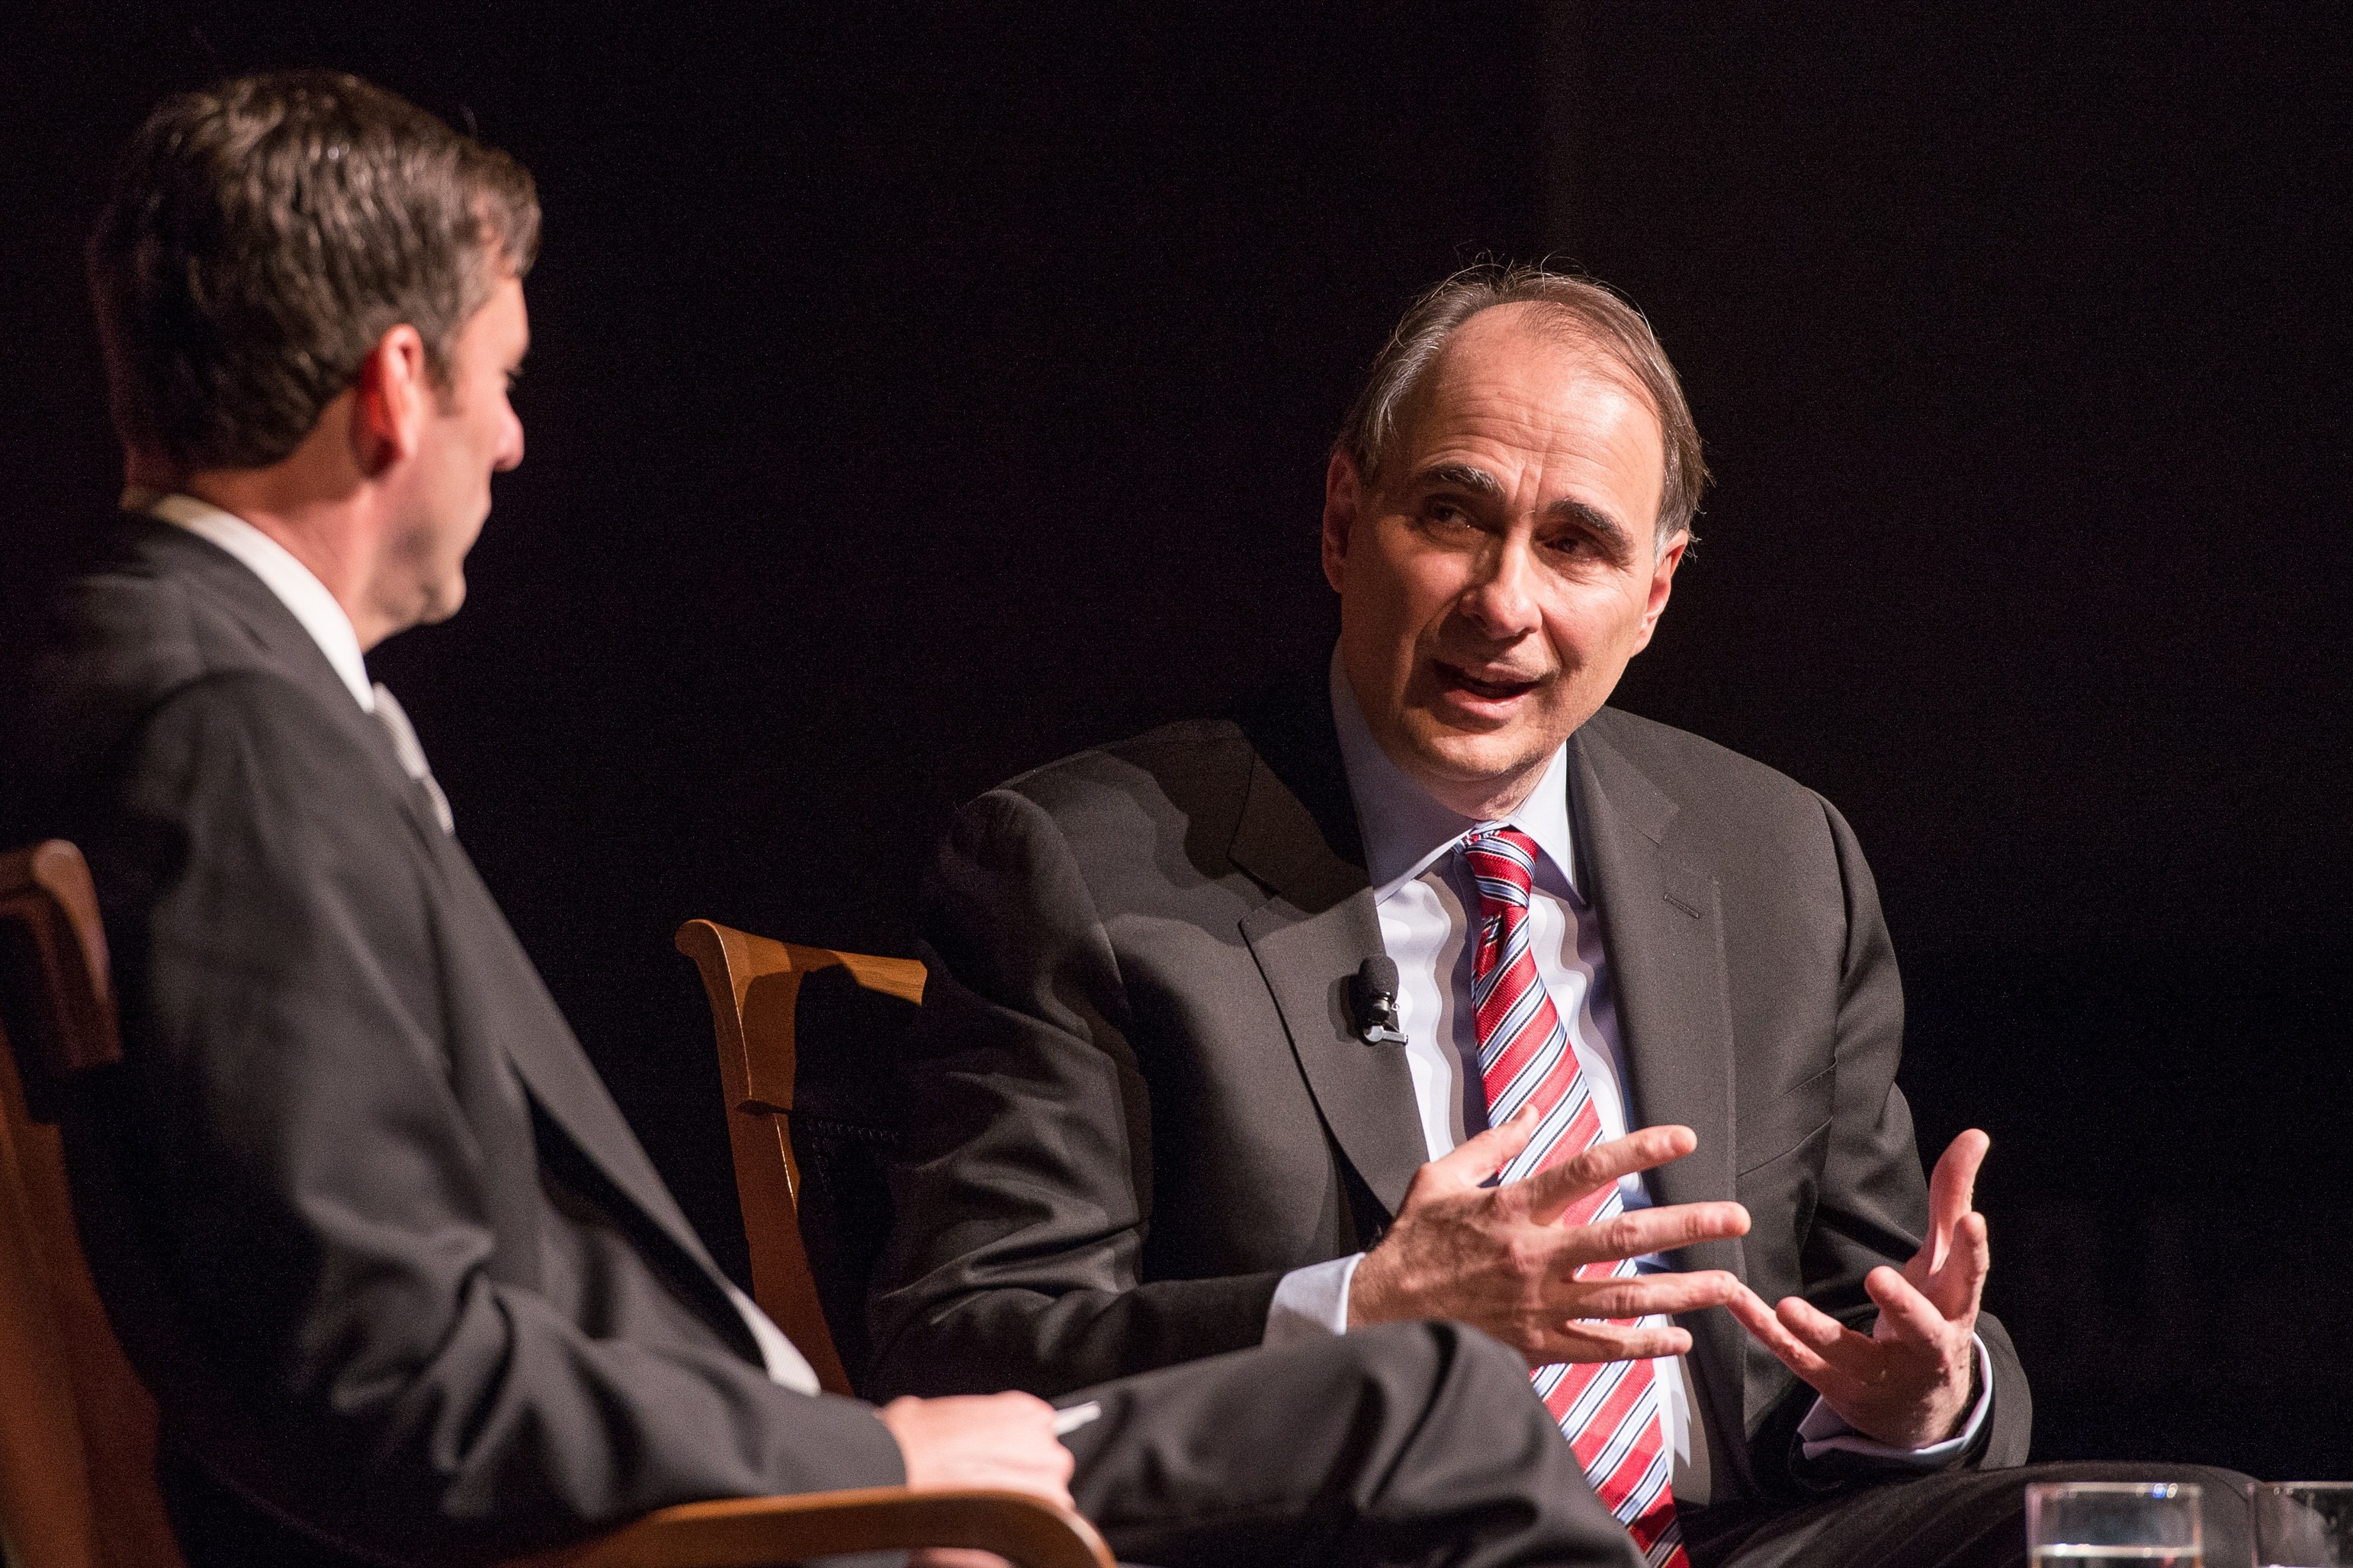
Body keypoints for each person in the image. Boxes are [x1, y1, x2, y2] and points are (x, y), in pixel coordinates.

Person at [9, 75, 1647, 1568]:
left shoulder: (163, 680)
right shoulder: (223, 734)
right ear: (395, 388)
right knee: (1435, 1409)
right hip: (707, 1523)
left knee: (1433, 1402)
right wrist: (863, 1452)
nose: (511, 439)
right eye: (502, 381)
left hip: (722, 1476)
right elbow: (382, 1367)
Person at [866, 266, 2254, 1566]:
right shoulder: (1081, 868)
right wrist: (1364, 1312)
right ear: (1345, 521)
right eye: (1453, 515)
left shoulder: (1779, 858)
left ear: (1651, 594)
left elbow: (1864, 1313)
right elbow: (961, 1358)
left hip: (1745, 1535)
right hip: (1375, 1537)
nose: (1504, 601)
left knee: (2198, 1528)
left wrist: (1916, 1393)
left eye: (1576, 543)